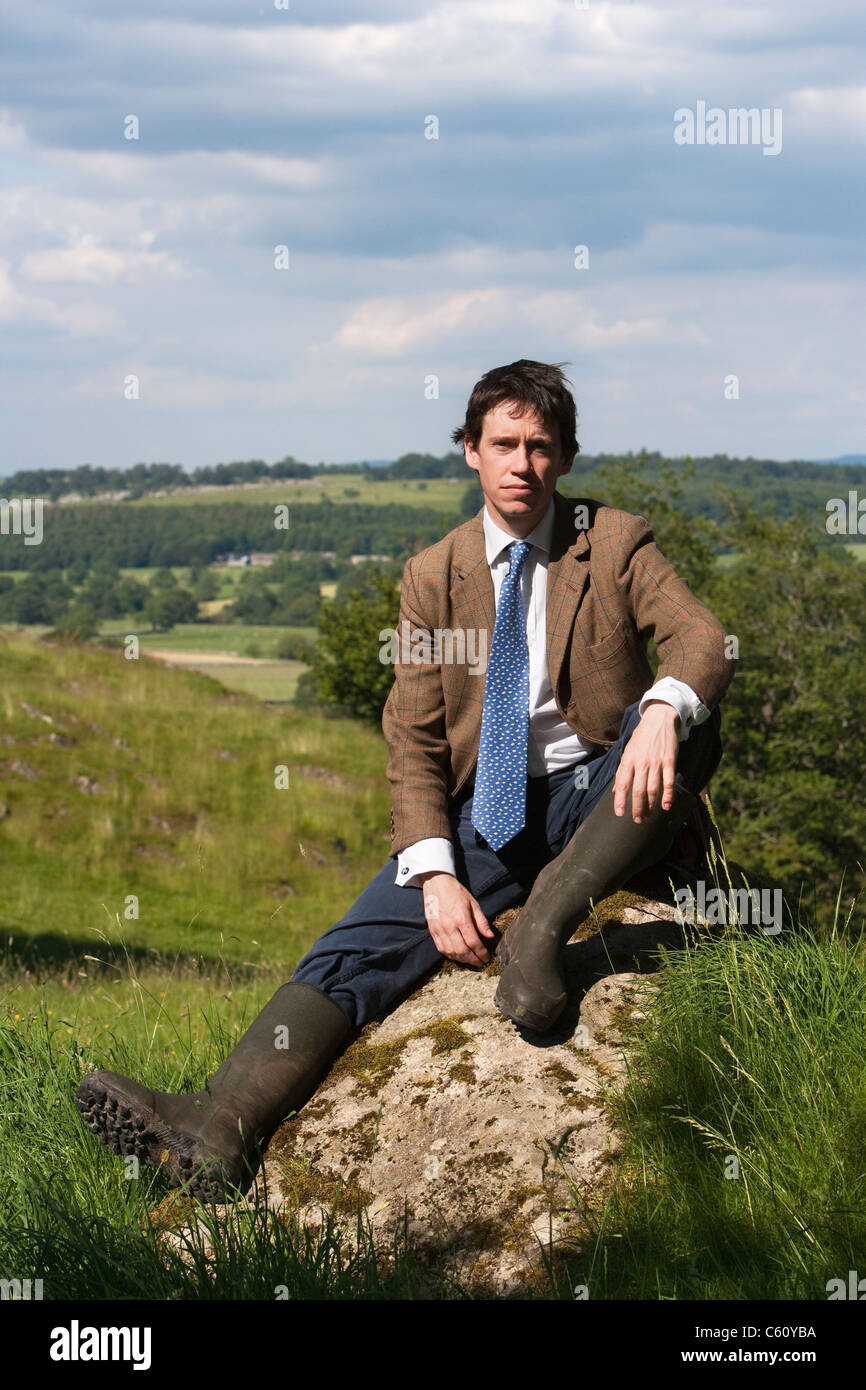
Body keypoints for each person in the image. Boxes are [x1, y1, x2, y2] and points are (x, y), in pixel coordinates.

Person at [75, 359, 735, 1202]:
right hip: (487, 812)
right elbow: (414, 739)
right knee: (353, 947)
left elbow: (702, 640)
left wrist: (658, 712)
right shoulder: (433, 574)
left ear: (565, 458)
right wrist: (432, 871)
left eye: (540, 446)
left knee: (690, 730)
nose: (521, 464)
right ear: (470, 451)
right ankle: (221, 1127)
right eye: (503, 444)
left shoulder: (612, 540)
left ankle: (540, 938)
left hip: (598, 789)